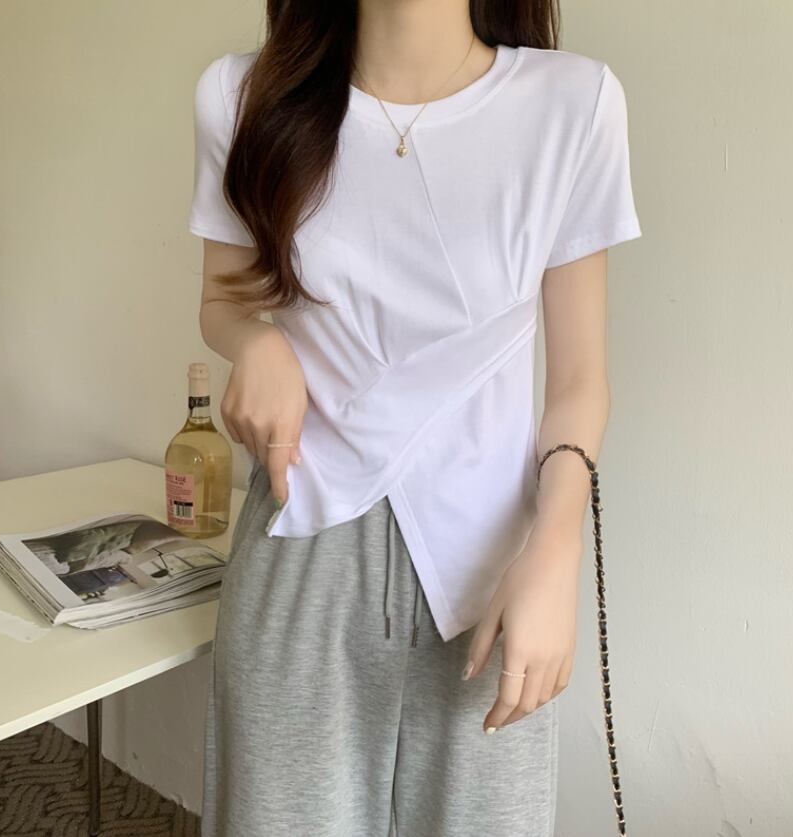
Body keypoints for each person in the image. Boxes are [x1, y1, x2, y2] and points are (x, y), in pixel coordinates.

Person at [188, 1, 642, 834]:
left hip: (493, 571)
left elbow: (580, 379)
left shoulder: (572, 105)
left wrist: (556, 548)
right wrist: (255, 342)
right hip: (304, 550)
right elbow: (222, 301)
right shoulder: (244, 98)